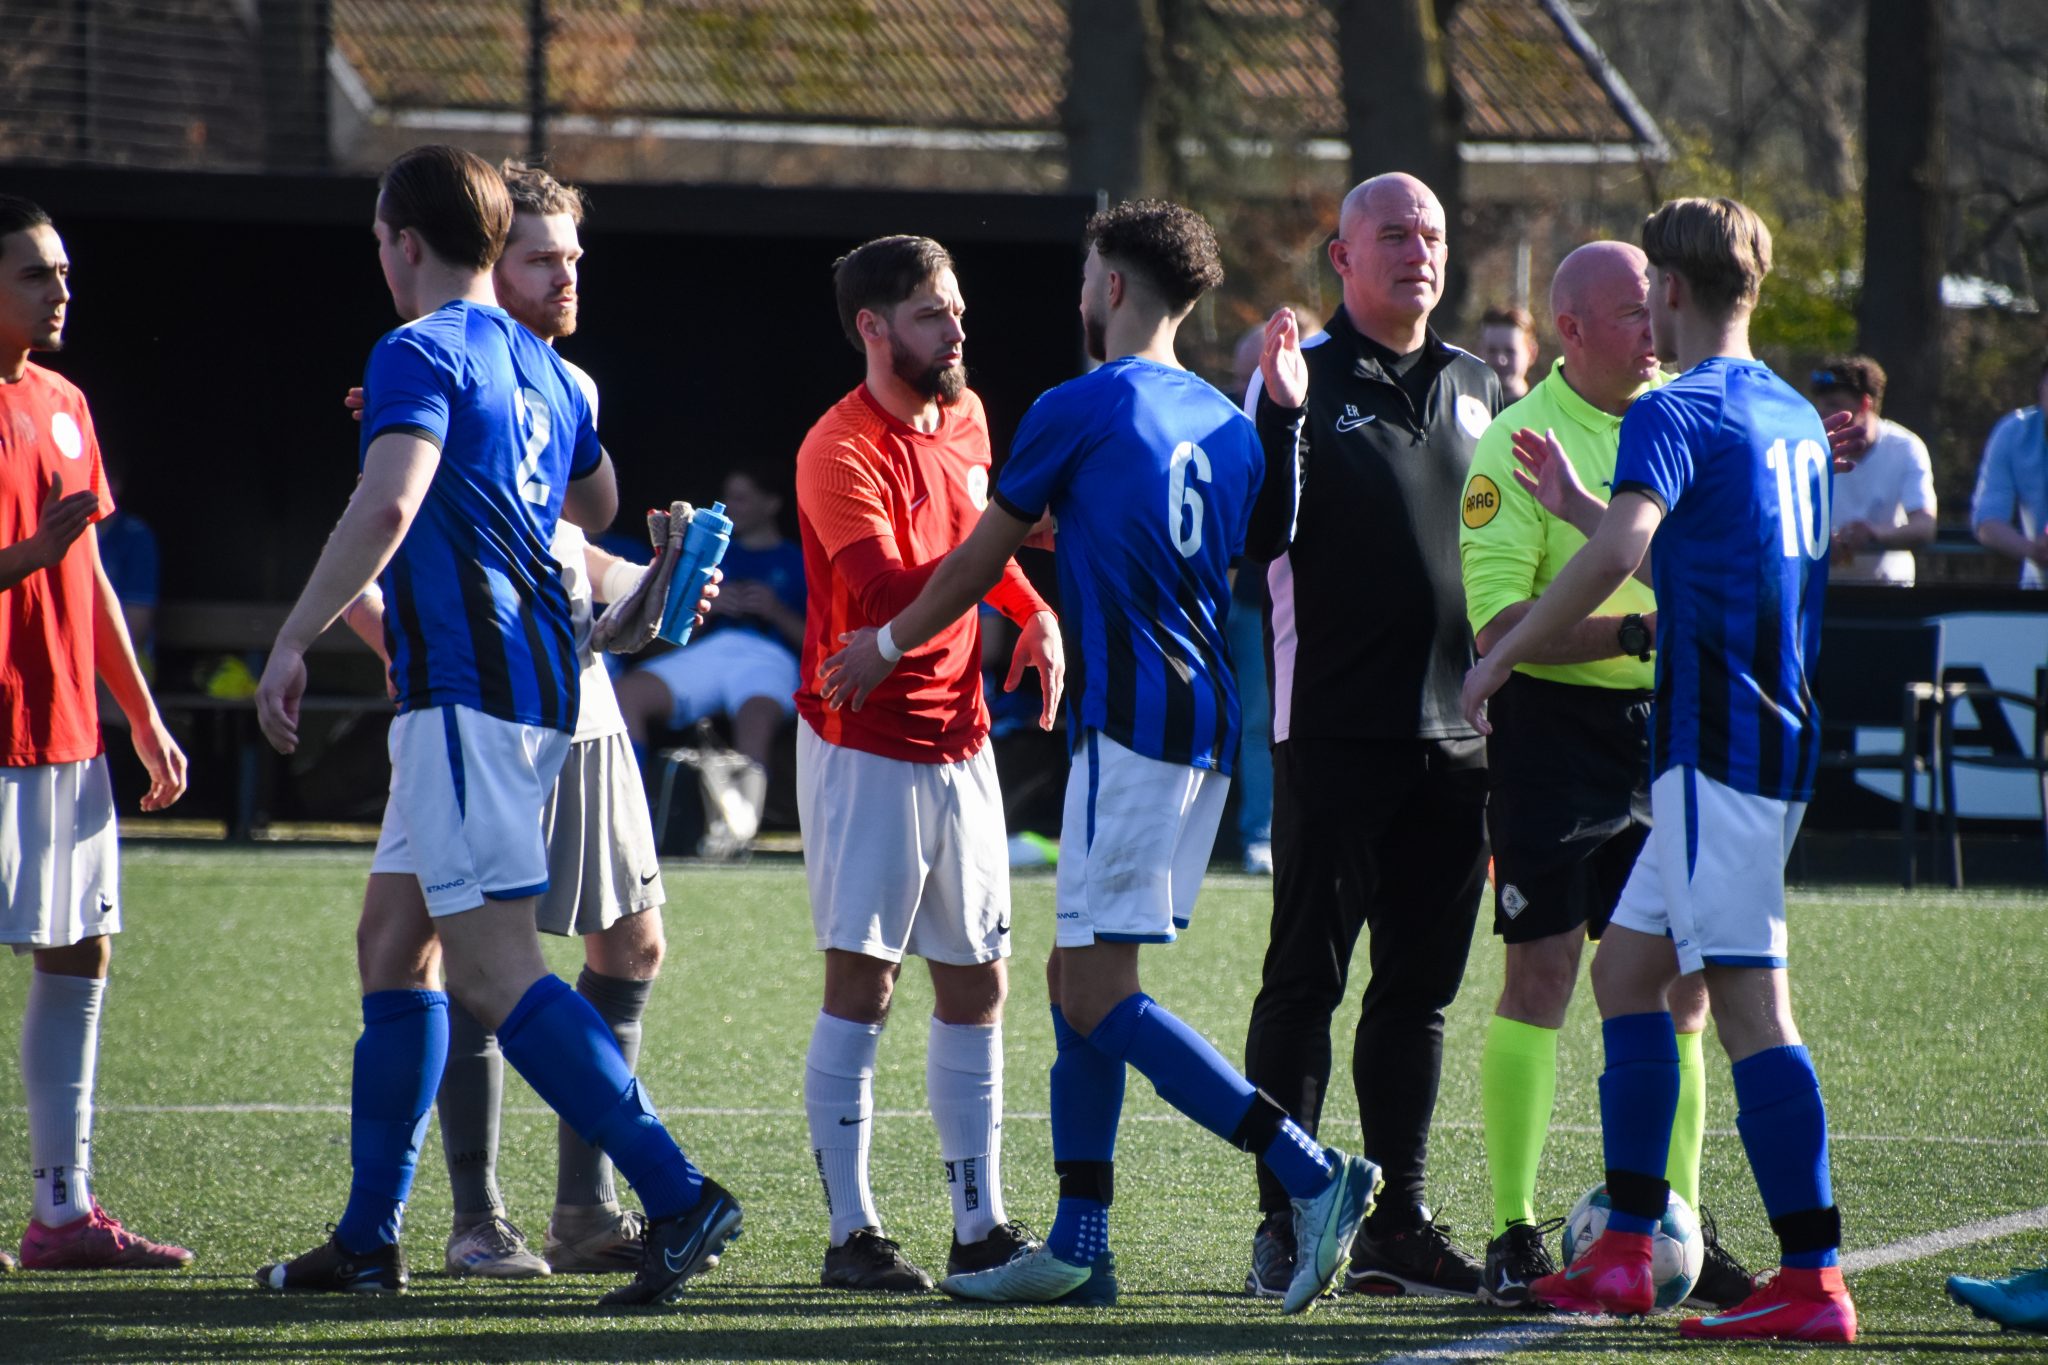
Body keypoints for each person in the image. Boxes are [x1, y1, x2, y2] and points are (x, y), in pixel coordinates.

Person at [819, 198, 1376, 1314]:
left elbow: (975, 564)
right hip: (1201, 727)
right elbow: (1264, 541)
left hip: (1130, 728)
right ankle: (1080, 1244)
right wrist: (1279, 419)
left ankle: (1311, 1171)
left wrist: (881, 645)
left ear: (1111, 287)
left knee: (1099, 991)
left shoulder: (1077, 404)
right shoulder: (1222, 420)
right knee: (1073, 982)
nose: (1079, 294)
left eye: (1086, 277)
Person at [251, 144, 739, 1306]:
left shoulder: (416, 349)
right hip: (527, 687)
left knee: (490, 965)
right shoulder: (551, 373)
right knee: (392, 944)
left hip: (470, 695)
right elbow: (596, 501)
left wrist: (292, 637)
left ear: (404, 241)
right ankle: (367, 1240)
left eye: (381, 241)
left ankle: (676, 1195)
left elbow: (387, 505)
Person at [1460, 195, 1857, 1343]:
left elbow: (1624, 554)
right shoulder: (1785, 411)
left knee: (1748, 1007)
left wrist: (1501, 659)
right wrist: (1582, 506)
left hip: (1713, 746)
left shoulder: (1670, 407)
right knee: (1625, 975)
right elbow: (1698, 553)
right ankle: (1627, 1251)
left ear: (1670, 293)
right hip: (1759, 737)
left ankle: (1812, 1276)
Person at [337, 161, 679, 1280]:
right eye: (541, 256)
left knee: (602, 944)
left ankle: (597, 1207)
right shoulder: (434, 359)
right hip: (485, 694)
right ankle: (465, 1218)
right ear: (489, 252)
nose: (565, 275)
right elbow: (389, 529)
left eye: (575, 256)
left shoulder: (552, 385)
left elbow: (575, 539)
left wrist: (650, 585)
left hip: (542, 697)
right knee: (432, 947)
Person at [1458, 241, 1750, 1311]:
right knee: (1539, 976)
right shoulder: (1514, 444)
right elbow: (1498, 632)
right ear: (1571, 330)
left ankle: (1679, 1221)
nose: (1653, 327)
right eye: (1631, 311)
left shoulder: (1682, 416)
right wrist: (1641, 629)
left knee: (1681, 990)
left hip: (1663, 732)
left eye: (1654, 305)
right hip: (1550, 737)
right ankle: (1513, 1228)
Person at [1239, 171, 1497, 1300]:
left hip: (1462, 736)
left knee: (1418, 995)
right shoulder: (1299, 377)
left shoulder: (1480, 382)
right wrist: (1281, 411)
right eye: (1392, 234)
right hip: (1335, 730)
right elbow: (1259, 538)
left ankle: (1397, 1222)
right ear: (1341, 258)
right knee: (1305, 982)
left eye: (1430, 233)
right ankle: (1288, 1218)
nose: (1417, 250)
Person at [790, 233, 1059, 1292]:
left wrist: (1031, 610)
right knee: (864, 984)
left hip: (963, 737)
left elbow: (979, 544)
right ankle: (850, 1234)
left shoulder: (969, 413)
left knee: (979, 981)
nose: (956, 330)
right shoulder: (837, 447)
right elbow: (883, 598)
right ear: (872, 327)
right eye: (930, 314)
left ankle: (978, 1226)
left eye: (955, 309)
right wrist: (1007, 557)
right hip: (862, 743)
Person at [0, 195, 192, 1274]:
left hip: (64, 729)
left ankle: (62, 1215)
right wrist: (26, 557)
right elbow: (40, 556)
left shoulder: (66, 401)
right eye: (36, 273)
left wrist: (143, 714)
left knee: (80, 948)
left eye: (63, 272)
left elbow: (90, 575)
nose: (60, 290)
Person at [615, 463, 804, 855]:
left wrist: (774, 611)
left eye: (742, 498)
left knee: (756, 716)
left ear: (771, 504)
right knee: (627, 693)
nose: (731, 507)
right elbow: (667, 636)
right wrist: (709, 610)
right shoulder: (710, 554)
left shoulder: (798, 560)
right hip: (711, 649)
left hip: (769, 656)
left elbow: (820, 643)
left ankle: (738, 833)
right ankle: (631, 816)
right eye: (728, 496)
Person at [1808, 356, 1935, 585]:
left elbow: (1924, 526)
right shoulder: (1809, 449)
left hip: (1890, 593)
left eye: (1833, 404)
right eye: (1819, 404)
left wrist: (1873, 533)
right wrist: (1815, 539)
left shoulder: (1905, 447)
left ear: (1865, 403)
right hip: (1825, 592)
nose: (1822, 412)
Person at [1970, 353, 2048, 587]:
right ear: (2041, 387)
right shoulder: (2012, 432)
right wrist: (2034, 551)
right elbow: (1988, 520)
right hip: (2035, 594)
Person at [1479, 306, 1539, 403]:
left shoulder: (1545, 408)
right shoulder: (1466, 408)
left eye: (1510, 351)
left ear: (1531, 353)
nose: (1500, 361)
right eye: (1492, 351)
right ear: (1481, 351)